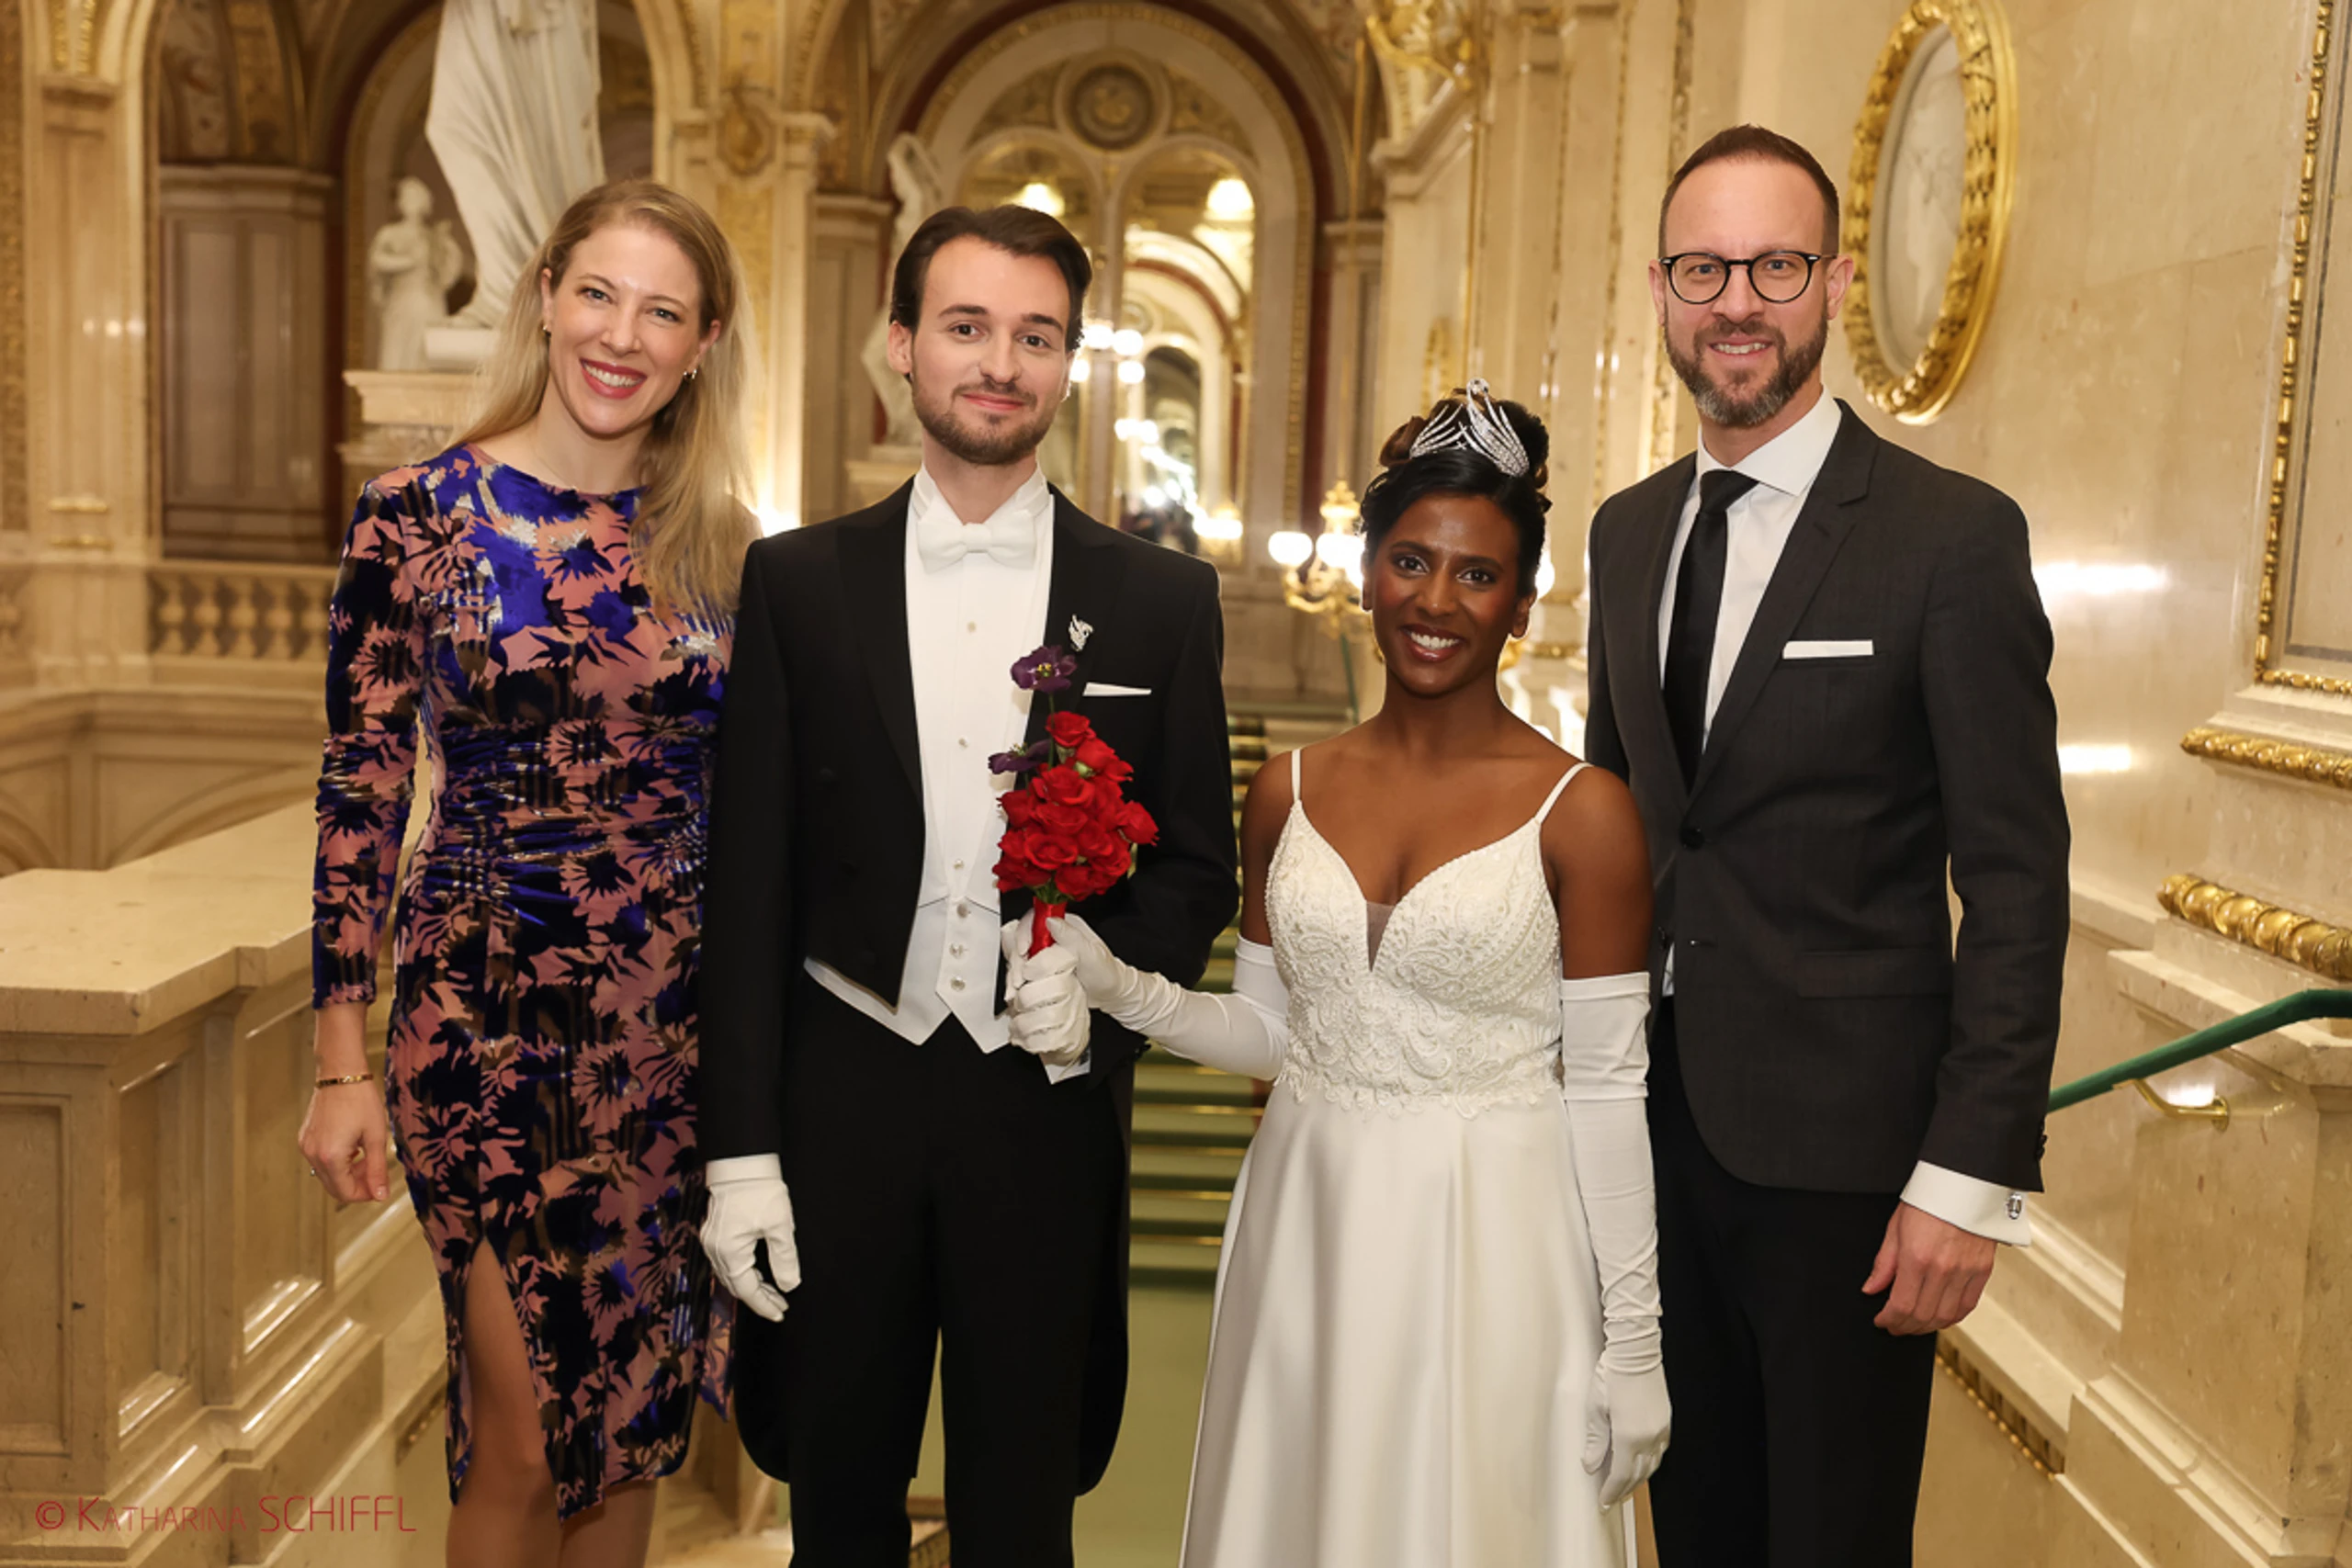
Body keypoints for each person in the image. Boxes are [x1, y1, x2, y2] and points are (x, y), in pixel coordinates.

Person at [1027, 383, 1666, 1568]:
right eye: (1410, 561)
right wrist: (1119, 985)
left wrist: (1634, 1343)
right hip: (1308, 1212)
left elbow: (1609, 1090)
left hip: (1496, 1230)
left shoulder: (1587, 814)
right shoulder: (1287, 788)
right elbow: (1275, 1036)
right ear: (1367, 575)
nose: (1437, 601)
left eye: (1478, 575)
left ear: (1523, 606)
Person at [694, 204, 1239, 1568]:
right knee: (838, 1513)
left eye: (1036, 336)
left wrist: (1105, 981)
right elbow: (747, 890)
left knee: (1023, 1518)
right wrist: (741, 1152)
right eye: (967, 327)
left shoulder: (1163, 598)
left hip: (1041, 1107)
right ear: (902, 344)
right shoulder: (796, 581)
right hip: (841, 1102)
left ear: (1069, 363)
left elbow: (1196, 869)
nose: (1001, 363)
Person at [1582, 124, 2069, 1566]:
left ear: (1837, 284)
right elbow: (1615, 827)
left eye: (1776, 266)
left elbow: (2017, 878)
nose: (1738, 301)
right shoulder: (1624, 534)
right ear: (1661, 291)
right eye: (1704, 268)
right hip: (1651, 1139)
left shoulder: (1949, 539)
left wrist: (1966, 1176)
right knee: (1696, 1530)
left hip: (1853, 1171)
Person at [300, 178, 752, 1568]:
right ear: (546, 296)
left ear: (703, 343)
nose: (621, 335)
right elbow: (362, 791)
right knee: (523, 1438)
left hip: (672, 1036)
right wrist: (339, 1060)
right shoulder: (416, 516)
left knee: (630, 1437)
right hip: (482, 1024)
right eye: (598, 293)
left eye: (662, 312)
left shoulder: (729, 545)